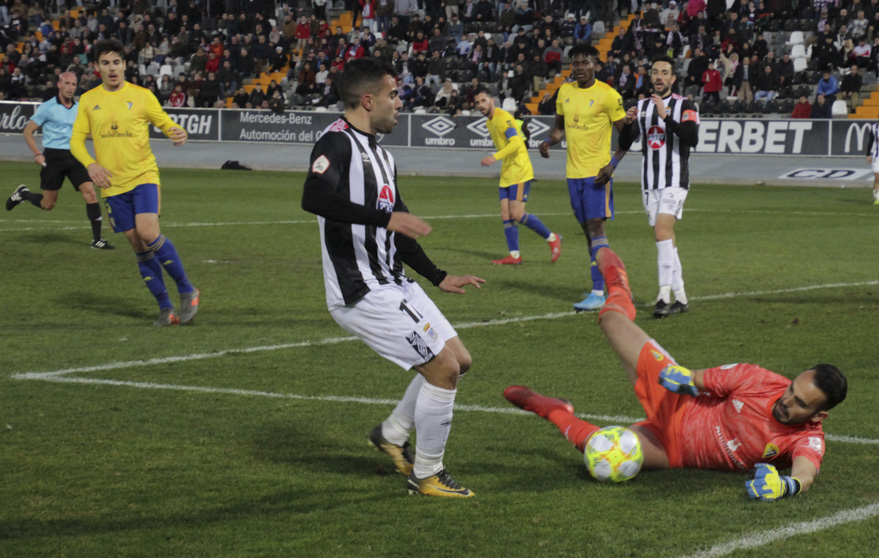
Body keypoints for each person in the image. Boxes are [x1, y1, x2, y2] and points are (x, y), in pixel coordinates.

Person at [504, 247, 848, 499]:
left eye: (800, 403)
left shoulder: (808, 437)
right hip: (679, 402)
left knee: (601, 458)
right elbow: (696, 379)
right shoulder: (757, 379)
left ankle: (553, 410)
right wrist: (681, 378)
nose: (786, 401)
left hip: (674, 450)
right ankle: (619, 287)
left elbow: (806, 472)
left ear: (820, 414)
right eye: (791, 389)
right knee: (609, 319)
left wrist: (786, 486)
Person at [301, 58, 485, 498]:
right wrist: (385, 219)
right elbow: (314, 196)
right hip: (360, 290)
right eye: (393, 95)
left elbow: (398, 227)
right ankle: (427, 475)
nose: (400, 104)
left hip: (395, 282)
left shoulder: (383, 156)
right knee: (442, 369)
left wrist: (439, 276)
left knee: (459, 361)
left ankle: (392, 433)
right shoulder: (337, 143)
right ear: (368, 101)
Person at [69, 40, 199, 327]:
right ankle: (165, 308)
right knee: (137, 245)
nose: (112, 68)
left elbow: (166, 124)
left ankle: (187, 288)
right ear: (96, 67)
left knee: (148, 232)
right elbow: (76, 140)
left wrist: (178, 133)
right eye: (106, 63)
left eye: (117, 62)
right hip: (112, 184)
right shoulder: (89, 100)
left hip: (143, 176)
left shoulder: (142, 96)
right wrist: (90, 164)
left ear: (125, 65)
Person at [538, 45, 627, 312]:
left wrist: (611, 166)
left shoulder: (608, 95)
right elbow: (558, 130)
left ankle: (599, 291)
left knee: (596, 230)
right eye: (575, 63)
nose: (578, 67)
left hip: (597, 174)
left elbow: (627, 137)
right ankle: (613, 285)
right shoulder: (565, 91)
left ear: (595, 65)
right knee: (589, 236)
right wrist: (547, 142)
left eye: (584, 62)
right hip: (572, 174)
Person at [614, 55, 699, 319]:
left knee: (662, 232)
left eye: (665, 73)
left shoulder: (685, 104)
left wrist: (666, 117)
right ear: (650, 77)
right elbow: (627, 142)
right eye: (655, 72)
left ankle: (663, 295)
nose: (659, 77)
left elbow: (691, 138)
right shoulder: (640, 107)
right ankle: (681, 296)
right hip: (650, 183)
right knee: (667, 239)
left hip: (675, 180)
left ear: (673, 78)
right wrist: (627, 125)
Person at [7, 71, 113, 250]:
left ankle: (97, 240)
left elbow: (84, 134)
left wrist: (100, 137)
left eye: (74, 84)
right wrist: (37, 154)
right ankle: (24, 194)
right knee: (48, 204)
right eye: (67, 84)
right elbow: (28, 132)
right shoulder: (47, 107)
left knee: (90, 192)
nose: (71, 88)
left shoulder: (79, 108)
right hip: (53, 157)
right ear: (59, 85)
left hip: (75, 154)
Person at [476, 89, 562, 265]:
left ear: (492, 100)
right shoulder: (489, 122)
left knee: (517, 213)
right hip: (507, 171)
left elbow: (516, 143)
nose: (481, 105)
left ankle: (552, 238)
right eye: (478, 103)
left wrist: (495, 157)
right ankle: (514, 256)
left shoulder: (503, 118)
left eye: (483, 101)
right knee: (505, 213)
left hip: (520, 170)